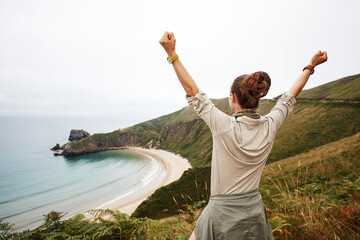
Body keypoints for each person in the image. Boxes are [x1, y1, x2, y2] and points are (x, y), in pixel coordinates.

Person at [159, 31, 328, 240]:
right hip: (254, 213)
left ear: (232, 98)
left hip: (221, 214)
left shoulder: (223, 126)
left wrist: (172, 53)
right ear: (257, 99)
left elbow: (193, 92)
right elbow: (290, 96)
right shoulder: (270, 125)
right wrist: (310, 66)